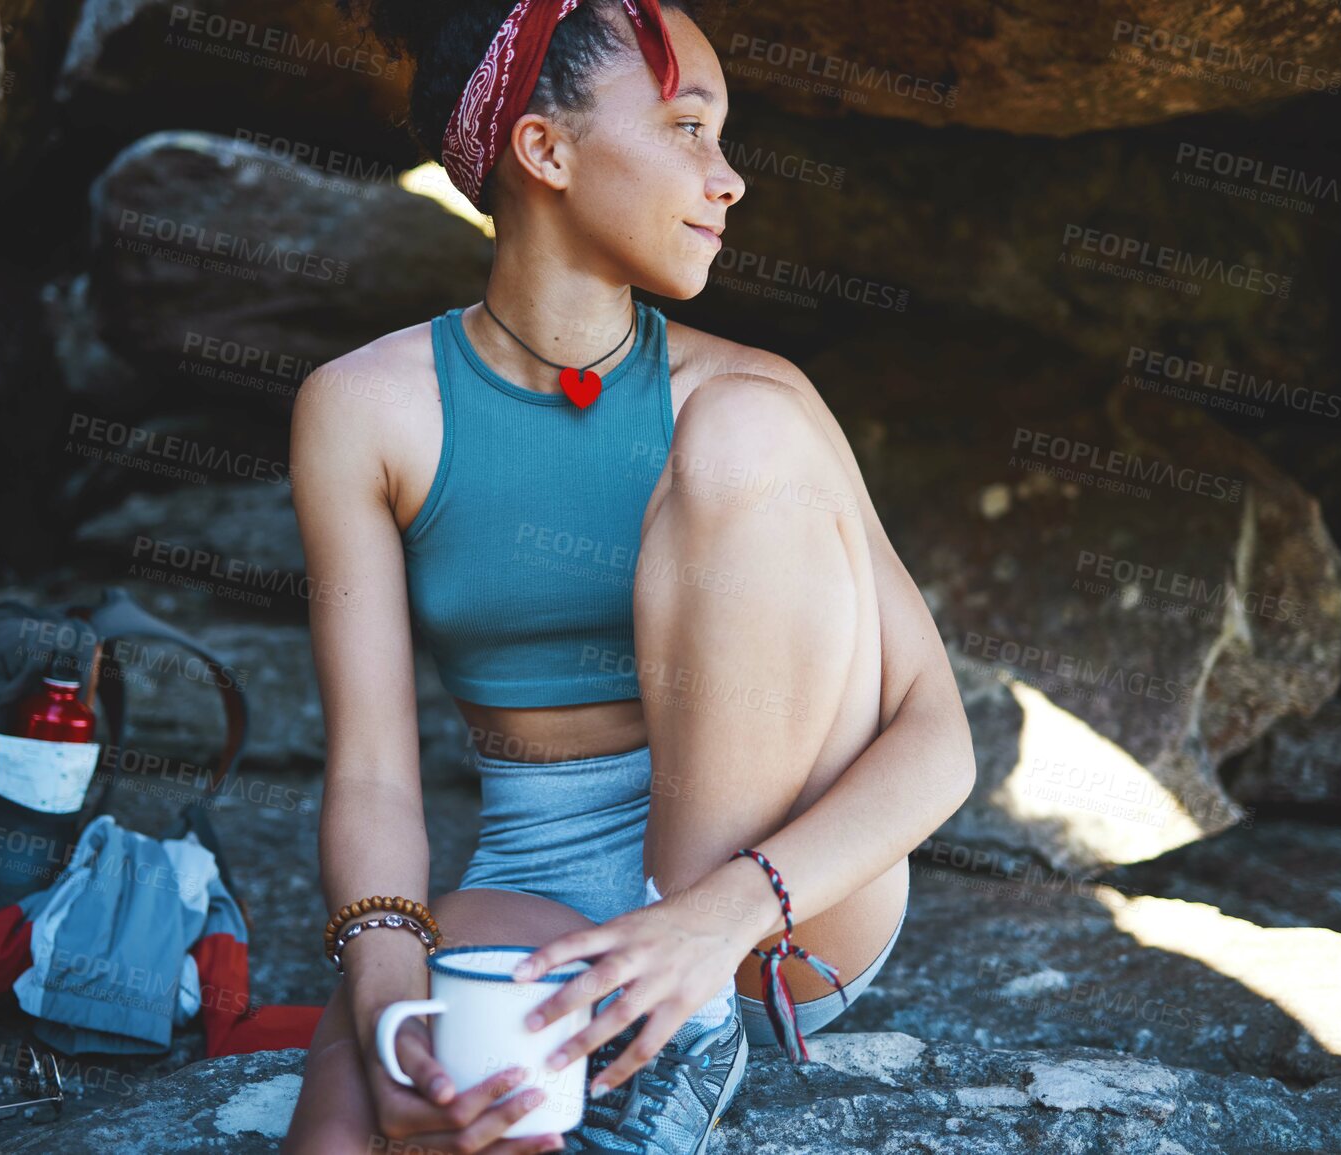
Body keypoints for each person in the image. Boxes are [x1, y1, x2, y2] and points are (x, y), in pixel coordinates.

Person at [282, 2, 977, 1152]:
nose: (731, 179)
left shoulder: (761, 398)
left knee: (742, 434)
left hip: (782, 900)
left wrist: (706, 927)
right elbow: (371, 777)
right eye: (690, 128)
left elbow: (939, 738)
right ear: (544, 152)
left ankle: (693, 1028)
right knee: (363, 1111)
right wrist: (387, 989)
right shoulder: (364, 409)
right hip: (534, 870)